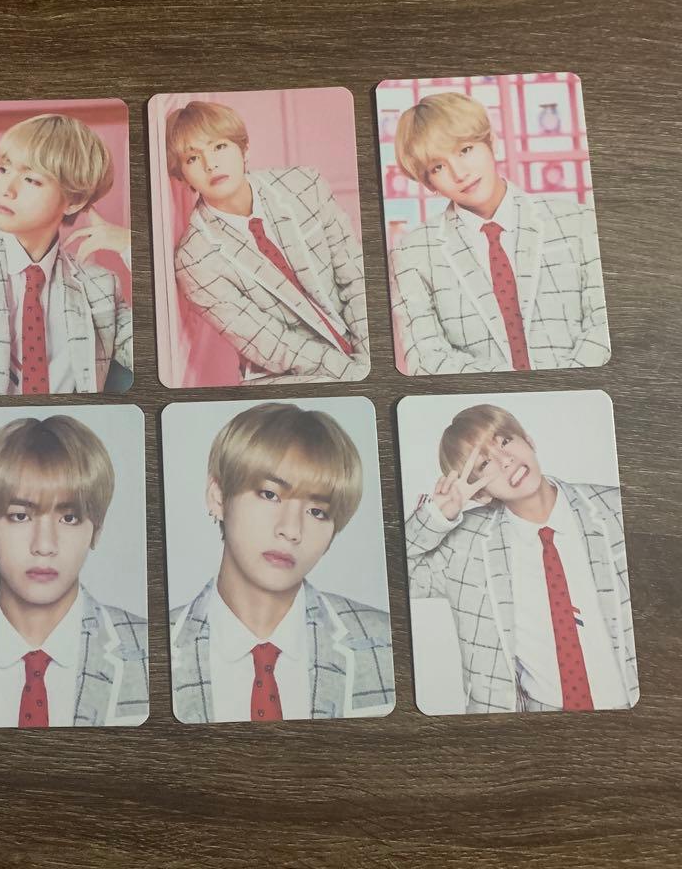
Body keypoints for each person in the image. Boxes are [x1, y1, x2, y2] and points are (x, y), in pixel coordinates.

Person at [169, 402, 394, 723]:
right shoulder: (151, 648)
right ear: (218, 497)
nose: (291, 530)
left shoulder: (385, 643)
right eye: (270, 494)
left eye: (317, 512)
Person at [405, 403, 638, 713]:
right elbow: (396, 580)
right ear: (479, 493)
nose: (505, 460)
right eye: (484, 463)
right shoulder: (466, 545)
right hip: (532, 720)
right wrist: (436, 517)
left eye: (505, 441)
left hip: (632, 709)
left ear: (528, 440)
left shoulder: (615, 508)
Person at [0, 415, 148, 727]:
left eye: (69, 518)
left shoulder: (150, 651)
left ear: (96, 530)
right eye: (20, 516)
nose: (44, 545)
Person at [388, 91, 610, 375]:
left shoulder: (577, 221)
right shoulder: (411, 253)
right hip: (485, 399)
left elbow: (603, 326)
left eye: (465, 150)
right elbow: (427, 359)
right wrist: (506, 389)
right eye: (438, 167)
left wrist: (561, 386)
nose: (459, 173)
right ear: (428, 182)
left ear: (491, 143)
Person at [0, 113, 132, 396]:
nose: (6, 190)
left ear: (75, 201)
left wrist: (130, 246)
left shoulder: (99, 286)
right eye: (4, 169)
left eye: (31, 179)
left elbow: (159, 355)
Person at [168, 100, 369, 385]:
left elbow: (356, 278)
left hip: (360, 344)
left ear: (244, 149)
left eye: (219, 147)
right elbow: (272, 345)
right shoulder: (195, 259)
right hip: (284, 374)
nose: (210, 164)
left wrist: (370, 357)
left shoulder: (304, 186)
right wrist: (352, 373)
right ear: (182, 176)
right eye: (192, 158)